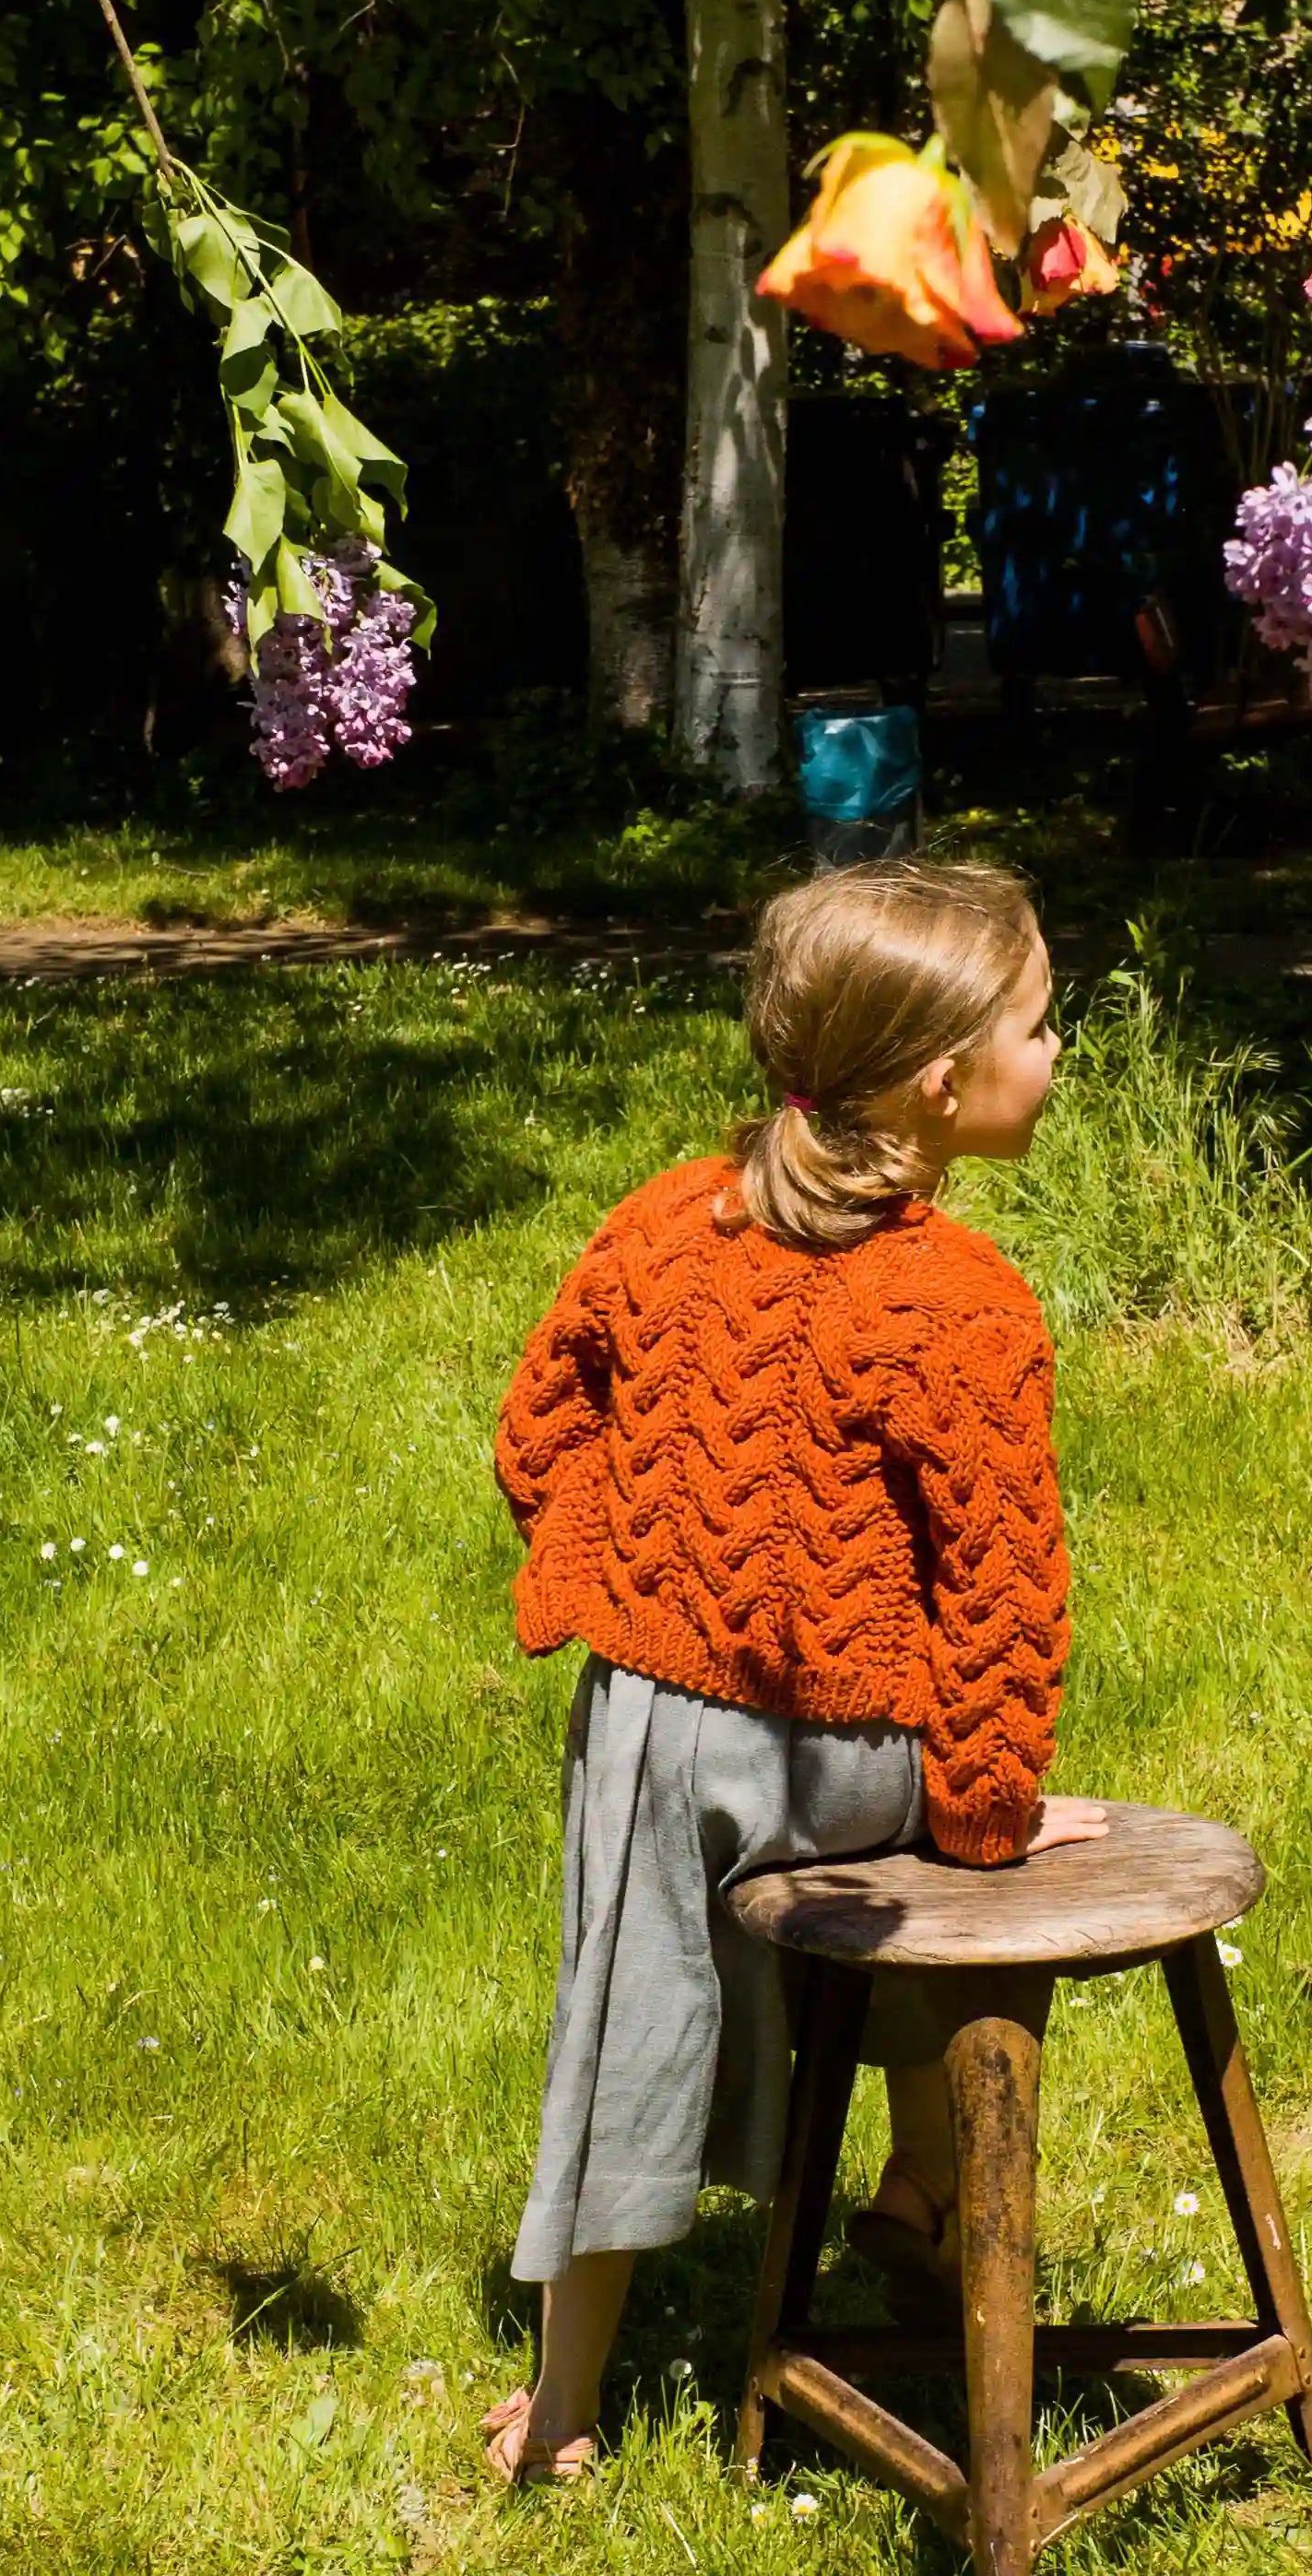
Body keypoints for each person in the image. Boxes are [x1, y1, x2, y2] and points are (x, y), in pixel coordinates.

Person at [481, 857, 1102, 2487]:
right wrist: (989, 1826)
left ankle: (561, 2416)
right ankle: (917, 2182)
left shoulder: (662, 1220)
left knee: (622, 2025)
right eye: (1044, 1028)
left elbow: (538, 1428)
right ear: (946, 1083)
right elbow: (1000, 1601)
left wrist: (629, 1582)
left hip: (659, 1746)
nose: (1063, 1055)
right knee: (981, 1847)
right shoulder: (964, 1303)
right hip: (851, 1767)